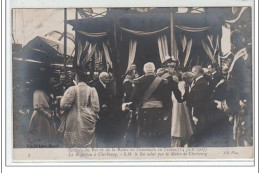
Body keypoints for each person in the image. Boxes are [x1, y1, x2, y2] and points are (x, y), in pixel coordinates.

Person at [129, 62, 172, 147]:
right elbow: (167, 98)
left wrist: (133, 108)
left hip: (144, 111)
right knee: (158, 132)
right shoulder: (161, 81)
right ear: (154, 70)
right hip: (159, 111)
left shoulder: (139, 81)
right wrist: (167, 111)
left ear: (144, 70)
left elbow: (134, 97)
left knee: (145, 132)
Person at [60, 69, 100, 147]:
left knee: (73, 143)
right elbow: (96, 108)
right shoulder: (91, 90)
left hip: (73, 118)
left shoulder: (73, 89)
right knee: (86, 144)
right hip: (88, 118)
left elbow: (63, 105)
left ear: (76, 78)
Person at [184, 65, 210, 146]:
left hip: (199, 109)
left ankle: (199, 143)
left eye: (192, 71)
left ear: (197, 72)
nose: (192, 74)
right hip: (198, 108)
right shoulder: (199, 81)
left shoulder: (201, 83)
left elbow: (198, 99)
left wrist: (194, 113)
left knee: (199, 126)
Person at [28, 77, 56, 146]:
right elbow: (38, 107)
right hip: (40, 116)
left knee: (46, 134)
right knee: (41, 133)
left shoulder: (42, 92)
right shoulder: (37, 92)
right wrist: (48, 115)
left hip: (45, 115)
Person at [171, 72, 194, 147]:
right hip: (177, 103)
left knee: (182, 119)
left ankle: (183, 138)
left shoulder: (182, 84)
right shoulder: (182, 84)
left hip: (180, 103)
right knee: (178, 119)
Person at [93, 72, 113, 147]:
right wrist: (101, 105)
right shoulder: (95, 86)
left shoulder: (108, 86)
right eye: (106, 78)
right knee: (100, 128)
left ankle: (105, 142)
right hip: (100, 111)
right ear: (101, 78)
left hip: (108, 111)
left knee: (106, 128)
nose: (108, 79)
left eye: (108, 78)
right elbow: (94, 99)